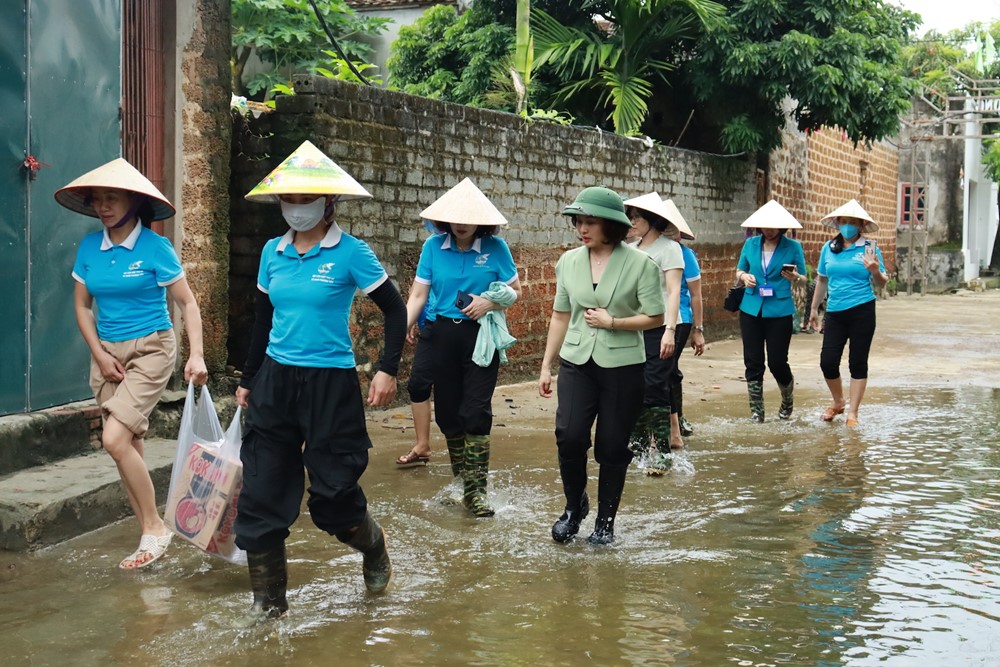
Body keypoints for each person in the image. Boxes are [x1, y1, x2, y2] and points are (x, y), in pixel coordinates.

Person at [234, 140, 406, 622]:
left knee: (333, 498)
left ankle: (373, 545)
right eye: (287, 199)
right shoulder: (272, 251)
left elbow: (394, 309)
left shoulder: (352, 252)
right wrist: (249, 379)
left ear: (328, 202)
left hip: (330, 385)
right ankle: (269, 608)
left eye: (304, 199)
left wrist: (388, 367)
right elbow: (263, 319)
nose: (295, 208)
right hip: (275, 381)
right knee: (261, 492)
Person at [57, 157, 209, 570]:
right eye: (98, 200)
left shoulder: (155, 247)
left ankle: (156, 528)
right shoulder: (90, 247)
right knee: (128, 445)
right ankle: (150, 533)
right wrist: (100, 354)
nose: (103, 206)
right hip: (107, 353)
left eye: (112, 198)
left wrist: (196, 354)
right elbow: (83, 307)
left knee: (113, 439)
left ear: (132, 202)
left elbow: (188, 303)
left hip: (151, 350)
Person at [538, 187, 664, 545]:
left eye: (590, 221)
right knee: (570, 435)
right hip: (577, 361)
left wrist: (614, 322)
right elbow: (561, 315)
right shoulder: (568, 262)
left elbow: (655, 316)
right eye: (578, 221)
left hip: (623, 363)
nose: (582, 228)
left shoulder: (641, 263)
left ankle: (605, 523)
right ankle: (574, 507)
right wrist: (547, 364)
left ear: (610, 225)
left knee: (611, 444)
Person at [403, 178, 521, 517]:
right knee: (448, 415)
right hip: (440, 334)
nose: (462, 223)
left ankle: (476, 492)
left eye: (469, 216)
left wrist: (489, 302)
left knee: (476, 410)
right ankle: (461, 483)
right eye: (455, 216)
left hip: (480, 335)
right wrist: (406, 324)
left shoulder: (496, 249)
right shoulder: (432, 247)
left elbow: (516, 292)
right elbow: (419, 295)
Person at [809, 199, 887, 426]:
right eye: (844, 222)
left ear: (861, 225)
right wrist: (814, 309)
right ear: (837, 223)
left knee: (857, 361)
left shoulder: (870, 248)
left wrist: (875, 271)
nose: (848, 226)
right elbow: (822, 279)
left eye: (853, 222)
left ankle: (853, 412)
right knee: (828, 361)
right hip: (835, 311)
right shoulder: (828, 248)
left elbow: (882, 283)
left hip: (862, 309)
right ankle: (838, 401)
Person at [622, 193, 683, 474]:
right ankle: (637, 447)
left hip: (662, 326)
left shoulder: (669, 248)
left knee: (655, 384)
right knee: (633, 385)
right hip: (635, 324)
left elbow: (672, 291)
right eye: (630, 218)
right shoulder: (630, 248)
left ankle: (662, 452)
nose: (632, 223)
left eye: (637, 218)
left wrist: (669, 330)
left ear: (652, 221)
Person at [734, 200, 806, 422]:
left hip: (780, 310)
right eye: (765, 225)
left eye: (774, 226)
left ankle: (787, 399)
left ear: (782, 227)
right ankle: (757, 410)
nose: (769, 230)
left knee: (777, 361)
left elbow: (804, 280)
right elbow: (739, 270)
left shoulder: (793, 247)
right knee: (753, 360)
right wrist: (744, 277)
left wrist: (795, 278)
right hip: (751, 307)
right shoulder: (751, 244)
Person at [663, 199, 705, 449]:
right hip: (651, 318)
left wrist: (698, 331)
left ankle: (674, 429)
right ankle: (674, 419)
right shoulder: (639, 249)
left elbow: (696, 294)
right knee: (669, 372)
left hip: (680, 321)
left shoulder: (685, 254)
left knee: (666, 372)